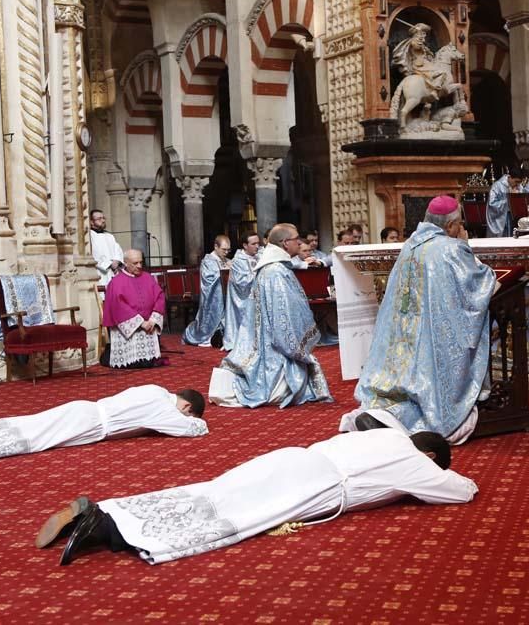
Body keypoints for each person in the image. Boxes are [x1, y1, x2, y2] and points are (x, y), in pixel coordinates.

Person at [35, 428, 477, 566]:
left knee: (212, 492)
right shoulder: (416, 460)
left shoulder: (386, 432)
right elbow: (461, 492)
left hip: (293, 456)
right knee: (232, 518)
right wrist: (439, 472)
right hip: (315, 484)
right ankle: (104, 532)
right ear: (432, 455)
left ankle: (105, 510)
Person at [343, 196, 495, 445]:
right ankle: (396, 420)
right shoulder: (450, 247)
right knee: (428, 390)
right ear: (450, 226)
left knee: (403, 385)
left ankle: (381, 414)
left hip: (402, 336)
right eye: (459, 224)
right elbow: (479, 282)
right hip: (429, 336)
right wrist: (466, 246)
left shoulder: (410, 245)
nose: (460, 229)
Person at [0, 385, 207, 464]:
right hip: (90, 423)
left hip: (87, 410)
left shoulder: (155, 390)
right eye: (188, 413)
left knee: (29, 424)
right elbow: (189, 429)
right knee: (32, 440)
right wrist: (197, 423)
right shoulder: (166, 408)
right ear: (187, 406)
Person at [209, 223, 333, 408]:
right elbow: (282, 314)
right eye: (296, 239)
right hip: (274, 347)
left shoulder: (277, 267)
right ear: (285, 243)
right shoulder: (275, 271)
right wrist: (295, 347)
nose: (300, 243)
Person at [102, 249, 166, 368]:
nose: (139, 266)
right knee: (132, 364)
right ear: (125, 263)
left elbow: (159, 297)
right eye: (135, 263)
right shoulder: (116, 282)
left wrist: (152, 320)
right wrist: (141, 323)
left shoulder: (148, 278)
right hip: (129, 328)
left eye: (141, 262)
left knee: (148, 363)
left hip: (149, 324)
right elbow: (118, 306)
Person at [184, 236, 232, 347]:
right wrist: (226, 269)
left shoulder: (227, 260)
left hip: (226, 295)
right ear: (216, 246)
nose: (226, 252)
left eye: (228, 250)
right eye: (223, 249)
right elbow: (210, 278)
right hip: (212, 296)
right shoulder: (208, 260)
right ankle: (207, 336)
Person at [223, 232, 260, 352]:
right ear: (245, 245)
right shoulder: (238, 260)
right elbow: (241, 282)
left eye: (258, 243)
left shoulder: (259, 256)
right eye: (253, 244)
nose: (257, 246)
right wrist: (259, 274)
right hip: (242, 297)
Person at [89, 209, 124, 289]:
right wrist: (109, 264)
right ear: (91, 222)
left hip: (113, 272)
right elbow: (93, 255)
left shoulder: (109, 236)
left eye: (103, 218)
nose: (103, 220)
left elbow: (118, 251)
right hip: (100, 273)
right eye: (99, 219)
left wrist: (117, 261)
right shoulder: (89, 236)